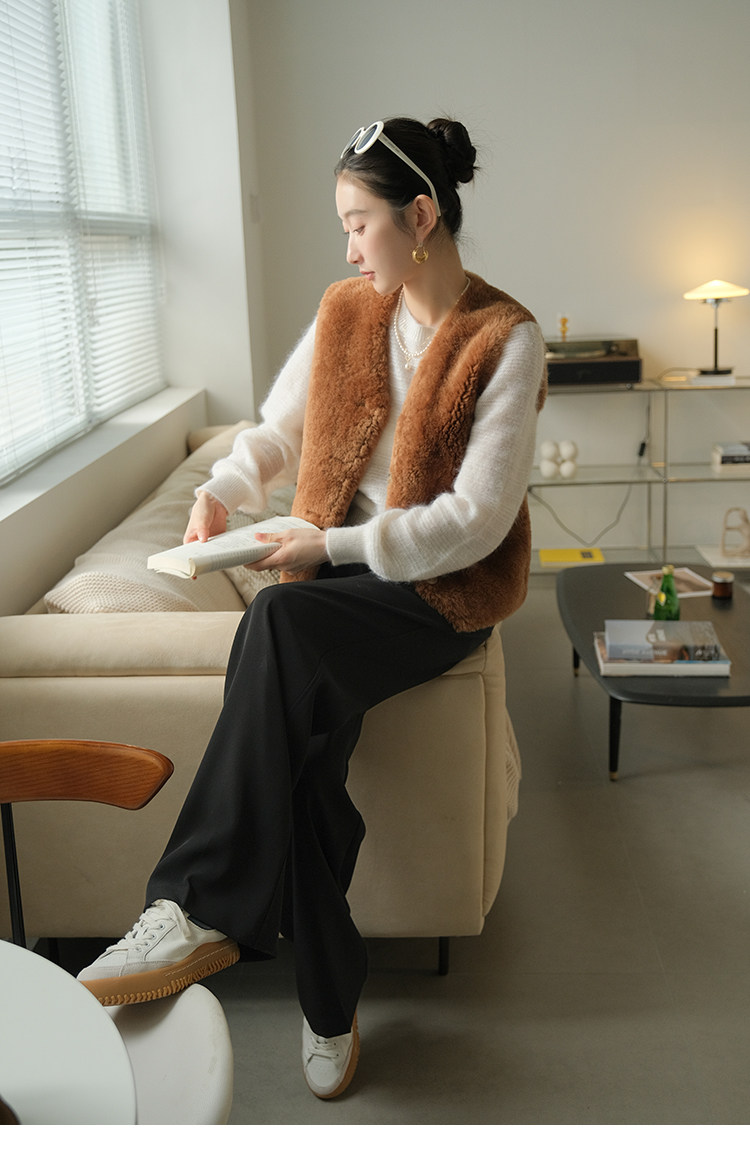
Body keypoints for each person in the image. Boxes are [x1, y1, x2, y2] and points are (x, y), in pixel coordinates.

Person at [78, 115, 547, 1099]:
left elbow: (473, 523)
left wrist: (327, 546)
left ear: (420, 217)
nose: (348, 249)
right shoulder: (347, 312)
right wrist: (226, 489)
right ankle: (327, 1003)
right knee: (303, 754)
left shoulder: (505, 339)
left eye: (358, 223)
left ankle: (194, 902)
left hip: (435, 589)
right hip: (338, 573)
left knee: (277, 619)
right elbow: (277, 430)